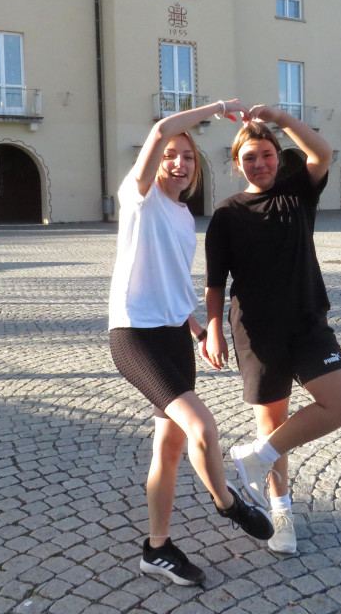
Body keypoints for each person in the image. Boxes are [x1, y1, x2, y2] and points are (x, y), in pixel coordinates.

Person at [108, 99, 273, 587]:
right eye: (170, 156)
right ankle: (227, 502)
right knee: (203, 425)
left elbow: (175, 286)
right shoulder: (138, 196)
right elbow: (161, 128)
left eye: (187, 157)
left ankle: (157, 549)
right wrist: (219, 108)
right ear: (155, 160)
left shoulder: (182, 215)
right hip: (135, 336)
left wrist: (200, 331)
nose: (179, 163)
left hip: (173, 336)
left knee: (170, 446)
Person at [204, 105, 341, 556]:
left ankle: (256, 457)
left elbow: (322, 152)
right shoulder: (227, 214)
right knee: (273, 423)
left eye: (267, 154)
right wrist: (213, 330)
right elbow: (215, 282)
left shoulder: (298, 192)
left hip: (309, 322)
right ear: (237, 165)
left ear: (278, 155)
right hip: (257, 332)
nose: (260, 164)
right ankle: (281, 513)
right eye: (250, 158)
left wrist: (280, 117)